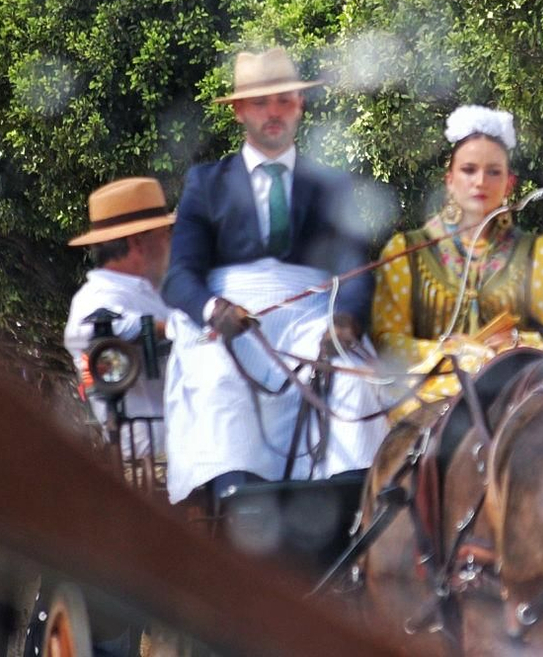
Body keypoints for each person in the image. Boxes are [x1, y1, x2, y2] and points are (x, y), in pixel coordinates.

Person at [160, 47, 383, 505]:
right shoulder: (206, 183)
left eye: (284, 100)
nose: (274, 113)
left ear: (300, 105)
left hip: (310, 317)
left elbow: (357, 270)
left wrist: (345, 321)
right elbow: (179, 274)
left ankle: (345, 511)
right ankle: (239, 506)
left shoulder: (331, 184)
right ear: (240, 111)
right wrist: (211, 308)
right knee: (219, 381)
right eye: (261, 103)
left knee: (354, 374)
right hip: (228, 321)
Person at [371, 105, 543, 410]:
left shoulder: (540, 254)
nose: (481, 182)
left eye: (493, 172)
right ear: (450, 180)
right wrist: (453, 350)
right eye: (469, 170)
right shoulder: (405, 252)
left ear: (509, 184)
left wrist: (512, 344)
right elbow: (387, 341)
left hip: (514, 400)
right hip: (426, 401)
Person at [63, 177, 175, 461]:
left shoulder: (154, 292)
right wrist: (176, 329)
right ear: (138, 242)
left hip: (189, 456)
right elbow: (93, 331)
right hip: (148, 468)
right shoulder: (93, 300)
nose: (170, 244)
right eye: (165, 235)